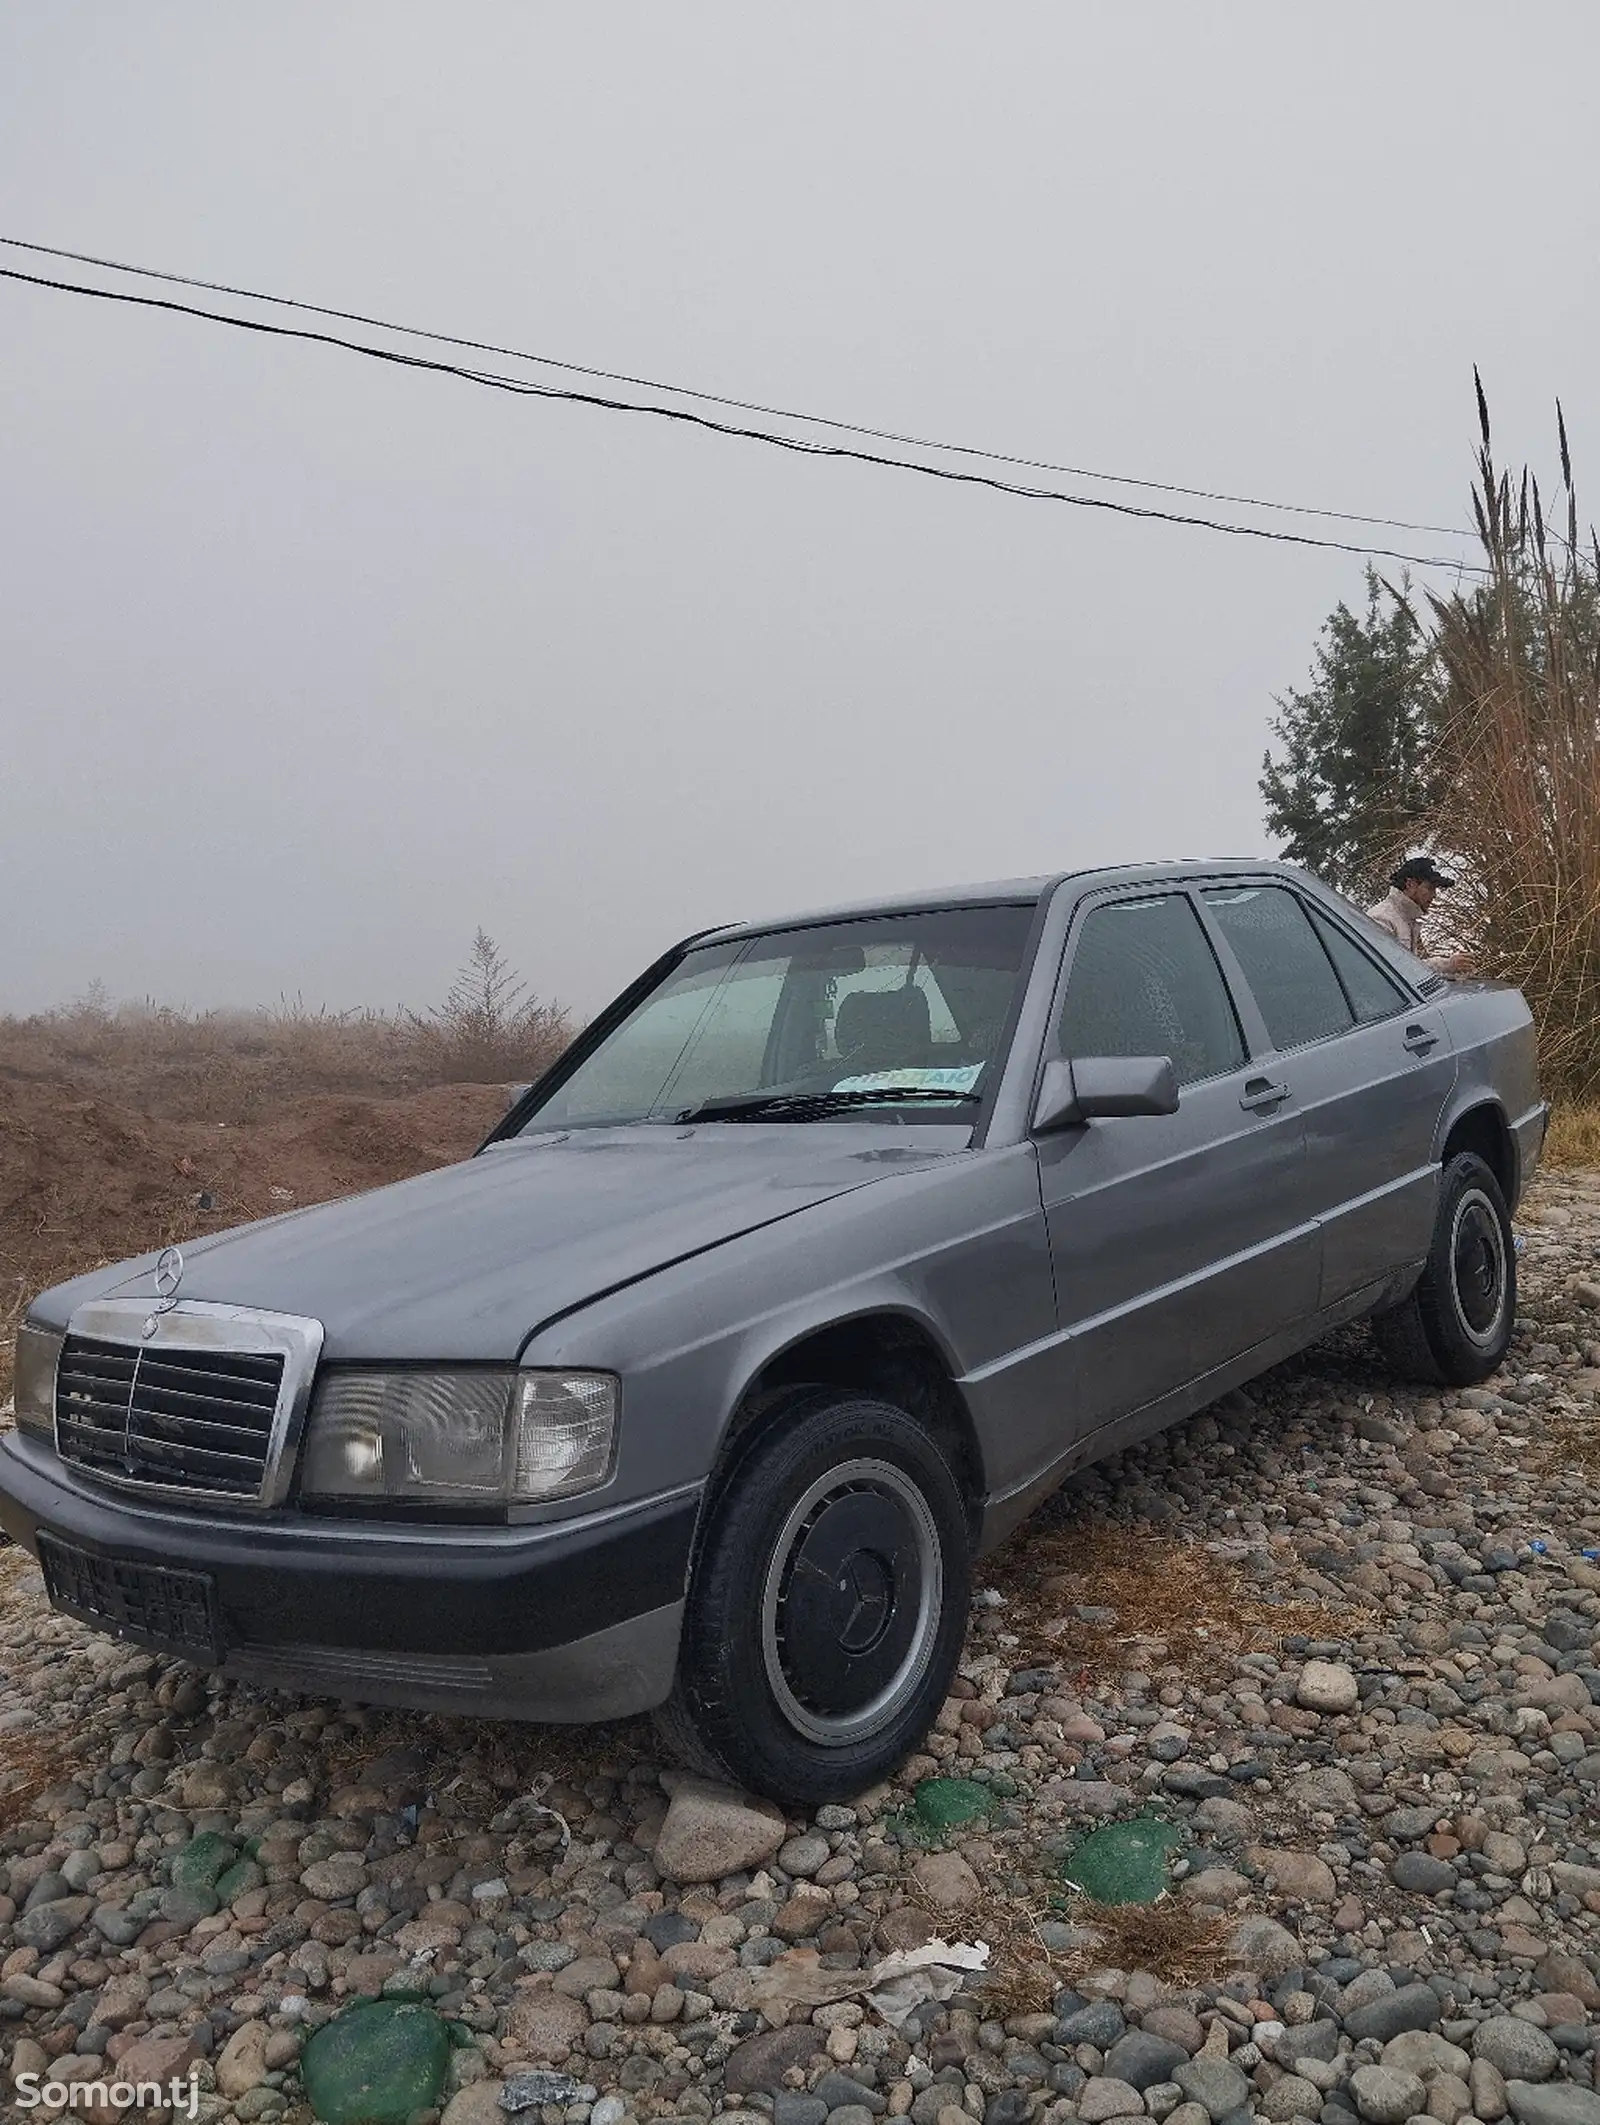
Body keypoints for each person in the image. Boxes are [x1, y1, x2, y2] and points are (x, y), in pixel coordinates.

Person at [1366, 856, 1472, 975]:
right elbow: (1394, 971)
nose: (1434, 895)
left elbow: (1409, 967)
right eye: (1430, 888)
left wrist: (1449, 965)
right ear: (1410, 884)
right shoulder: (1382, 919)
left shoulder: (1405, 918)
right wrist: (1447, 965)